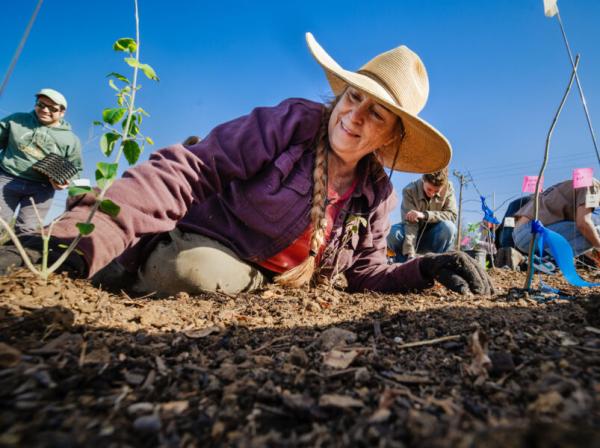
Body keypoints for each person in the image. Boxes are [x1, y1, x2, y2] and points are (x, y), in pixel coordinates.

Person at [0, 33, 492, 296]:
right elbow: (188, 169)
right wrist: (81, 239)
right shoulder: (294, 124)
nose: (353, 115)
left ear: (391, 136)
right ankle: (115, 250)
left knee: (193, 273)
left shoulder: (376, 193)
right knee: (190, 269)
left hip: (251, 275)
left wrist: (428, 267)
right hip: (209, 241)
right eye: (353, 97)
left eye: (376, 112)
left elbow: (368, 273)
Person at [0, 88, 82, 234]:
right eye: (41, 105)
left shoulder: (71, 140)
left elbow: (76, 170)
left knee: (27, 231)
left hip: (41, 189)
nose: (44, 110)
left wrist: (65, 182)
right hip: (6, 178)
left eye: (52, 108)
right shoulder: (16, 120)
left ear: (62, 113)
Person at [512, 178, 600, 265]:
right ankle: (551, 262)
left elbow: (575, 238)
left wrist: (593, 252)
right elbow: (583, 224)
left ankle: (542, 261)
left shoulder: (571, 186)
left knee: (590, 232)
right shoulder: (592, 185)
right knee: (594, 229)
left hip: (521, 235)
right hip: (531, 233)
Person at [387, 169, 457, 263]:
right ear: (423, 179)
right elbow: (410, 224)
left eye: (436, 191)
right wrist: (410, 254)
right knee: (392, 233)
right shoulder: (410, 190)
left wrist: (425, 215)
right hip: (411, 236)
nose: (432, 194)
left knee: (449, 228)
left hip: (434, 238)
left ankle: (435, 264)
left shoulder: (448, 188)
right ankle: (402, 266)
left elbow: (452, 215)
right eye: (429, 189)